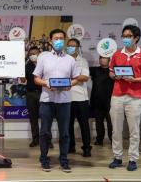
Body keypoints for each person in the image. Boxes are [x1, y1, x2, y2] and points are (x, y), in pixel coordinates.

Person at [33, 29, 80, 172]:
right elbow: (36, 78)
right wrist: (47, 84)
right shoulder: (43, 58)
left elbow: (76, 78)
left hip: (65, 101)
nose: (59, 41)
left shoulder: (71, 59)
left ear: (64, 40)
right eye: (56, 38)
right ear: (50, 40)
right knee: (45, 132)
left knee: (65, 132)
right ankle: (44, 159)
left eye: (61, 38)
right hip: (47, 99)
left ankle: (64, 160)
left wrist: (68, 85)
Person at [108, 25, 141, 171]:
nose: (125, 38)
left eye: (128, 36)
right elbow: (111, 73)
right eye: (124, 36)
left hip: (135, 97)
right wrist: (114, 76)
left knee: (134, 130)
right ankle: (117, 157)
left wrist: (135, 80)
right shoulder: (117, 54)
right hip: (117, 95)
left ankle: (132, 159)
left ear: (136, 38)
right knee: (116, 129)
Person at [21, 46, 53, 148]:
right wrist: (20, 72)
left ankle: (47, 140)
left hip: (43, 93)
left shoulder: (46, 65)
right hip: (30, 94)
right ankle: (35, 139)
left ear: (40, 54)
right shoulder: (27, 66)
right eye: (30, 54)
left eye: (34, 53)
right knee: (33, 118)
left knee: (46, 118)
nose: (32, 56)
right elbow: (22, 80)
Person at [66, 38, 92, 157]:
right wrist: (76, 77)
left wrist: (70, 78)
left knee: (84, 125)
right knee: (68, 125)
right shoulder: (62, 60)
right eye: (69, 45)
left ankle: (87, 148)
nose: (71, 48)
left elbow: (84, 77)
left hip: (81, 98)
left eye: (74, 46)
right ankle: (70, 146)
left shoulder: (83, 61)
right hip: (66, 98)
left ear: (78, 48)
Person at [90, 56, 113, 146]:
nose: (101, 60)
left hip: (110, 102)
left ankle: (113, 140)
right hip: (97, 101)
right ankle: (99, 140)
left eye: (104, 58)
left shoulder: (113, 70)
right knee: (98, 123)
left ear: (109, 60)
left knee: (111, 124)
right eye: (100, 58)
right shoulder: (95, 70)